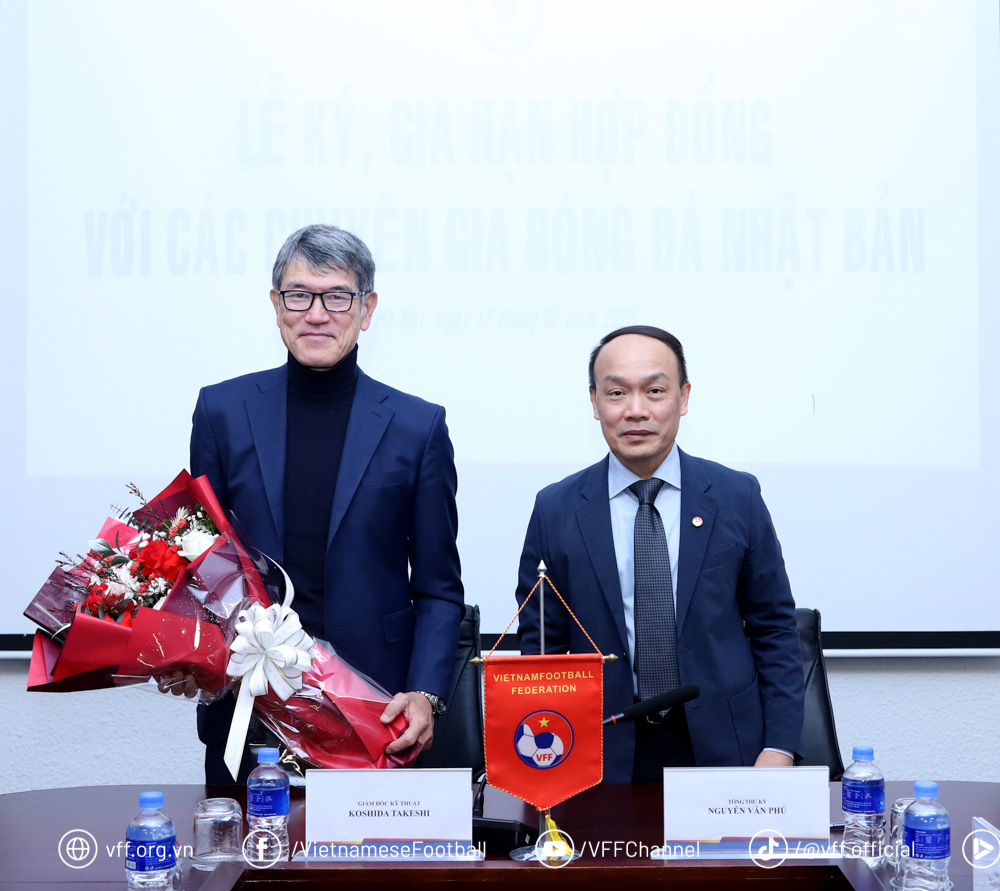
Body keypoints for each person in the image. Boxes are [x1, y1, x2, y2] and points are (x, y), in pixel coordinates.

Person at [189, 224, 464, 782]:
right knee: (245, 866)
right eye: (299, 295)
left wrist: (427, 694)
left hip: (373, 705)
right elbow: (201, 563)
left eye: (337, 296)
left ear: (367, 309)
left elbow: (437, 587)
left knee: (368, 867)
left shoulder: (418, 427)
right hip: (249, 701)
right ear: (276, 305)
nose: (317, 313)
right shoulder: (222, 411)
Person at [515, 325, 804, 783]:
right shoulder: (557, 509)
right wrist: (545, 757)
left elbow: (775, 630)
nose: (636, 410)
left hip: (728, 749)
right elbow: (541, 649)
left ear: (683, 397)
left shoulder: (736, 497)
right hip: (602, 753)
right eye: (616, 393)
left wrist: (780, 747)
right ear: (594, 402)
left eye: (654, 391)